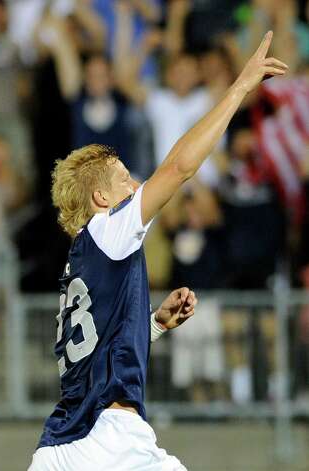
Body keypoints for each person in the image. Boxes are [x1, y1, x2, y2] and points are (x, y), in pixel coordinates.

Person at [28, 31, 287, 471]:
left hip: (62, 447)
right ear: (101, 199)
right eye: (125, 179)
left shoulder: (83, 259)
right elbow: (180, 168)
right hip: (111, 444)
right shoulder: (109, 228)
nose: (136, 187)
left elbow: (98, 353)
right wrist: (240, 87)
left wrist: (153, 325)